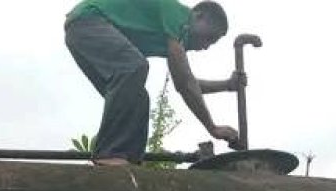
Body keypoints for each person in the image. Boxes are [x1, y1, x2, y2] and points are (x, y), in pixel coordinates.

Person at [65, 0, 241, 166]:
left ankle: (130, 161)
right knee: (133, 67)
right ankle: (109, 154)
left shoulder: (175, 35)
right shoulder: (178, 17)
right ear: (198, 16)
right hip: (88, 20)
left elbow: (188, 84)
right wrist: (213, 128)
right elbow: (185, 84)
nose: (205, 46)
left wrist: (226, 85)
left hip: (80, 33)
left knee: (139, 96)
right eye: (209, 38)